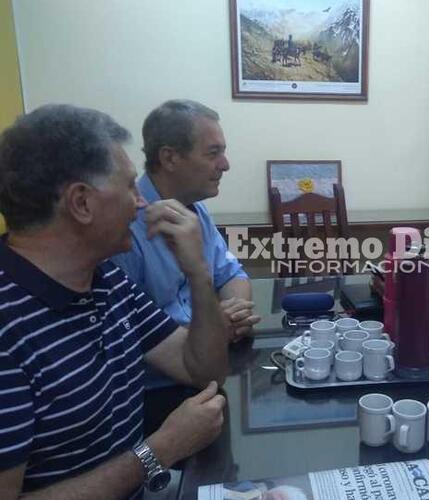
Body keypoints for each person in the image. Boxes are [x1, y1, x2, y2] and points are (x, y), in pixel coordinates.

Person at [0, 104, 231, 498]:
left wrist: (199, 274)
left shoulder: (106, 279)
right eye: (128, 188)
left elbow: (202, 369)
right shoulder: (9, 327)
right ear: (81, 203)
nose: (140, 203)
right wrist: (160, 450)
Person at [112, 100, 259, 342]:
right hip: (164, 375)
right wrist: (211, 328)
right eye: (213, 153)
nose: (225, 165)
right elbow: (129, 334)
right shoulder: (123, 226)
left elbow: (232, 274)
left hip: (210, 354)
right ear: (169, 158)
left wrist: (234, 314)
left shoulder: (196, 210)